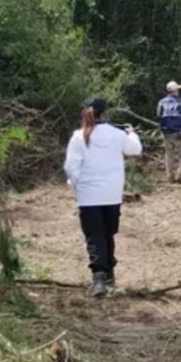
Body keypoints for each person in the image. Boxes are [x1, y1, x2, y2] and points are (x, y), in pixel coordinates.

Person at [64, 97, 143, 297]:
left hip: (89, 195)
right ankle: (109, 274)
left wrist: (75, 184)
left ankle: (99, 277)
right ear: (104, 112)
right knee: (108, 233)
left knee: (95, 235)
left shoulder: (78, 136)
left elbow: (71, 167)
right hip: (112, 193)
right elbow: (135, 149)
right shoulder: (117, 135)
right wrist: (132, 134)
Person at [157, 81, 181, 184]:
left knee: (169, 154)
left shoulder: (161, 102)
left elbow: (158, 114)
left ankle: (170, 177)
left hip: (166, 132)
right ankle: (180, 175)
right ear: (176, 90)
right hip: (179, 132)